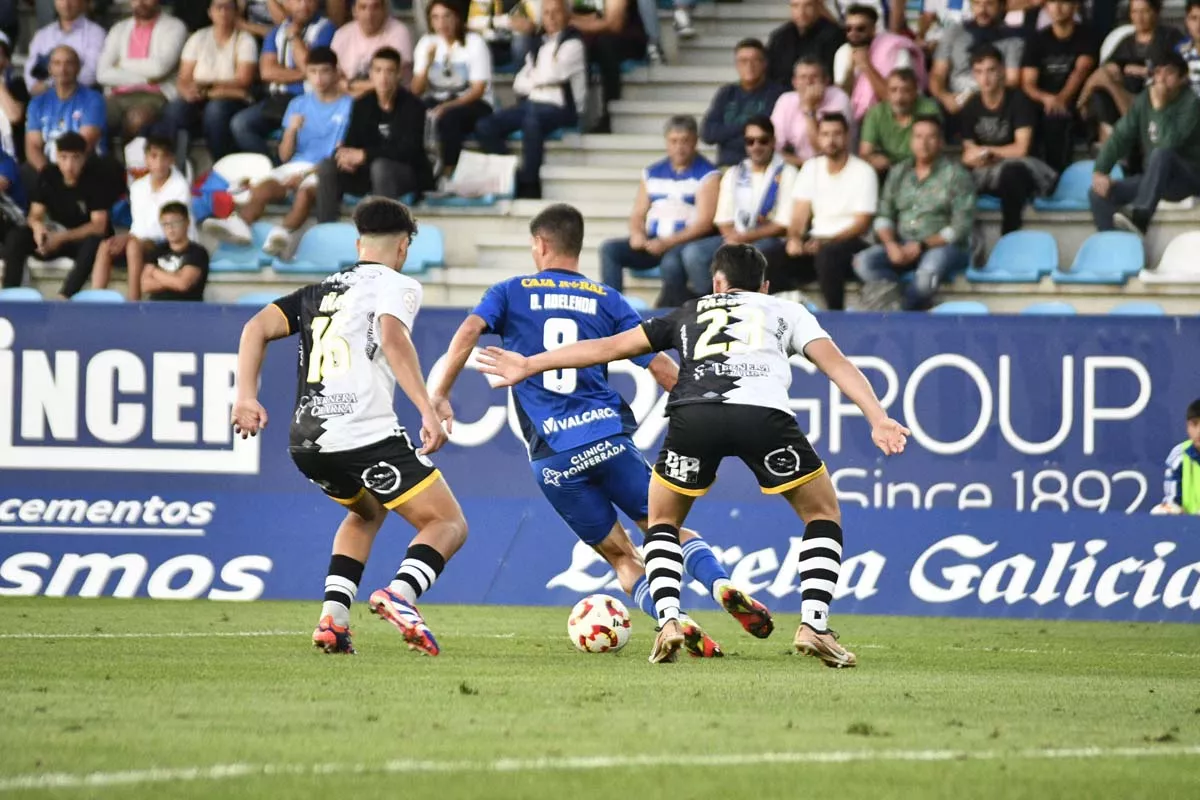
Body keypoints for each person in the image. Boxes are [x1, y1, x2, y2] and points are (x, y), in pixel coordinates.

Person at [476, 243, 909, 665]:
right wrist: (878, 417)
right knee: (822, 514)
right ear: (765, 285)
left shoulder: (689, 312)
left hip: (693, 414)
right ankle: (814, 625)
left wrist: (531, 364)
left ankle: (668, 621)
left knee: (663, 521)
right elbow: (836, 364)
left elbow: (608, 347)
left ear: (717, 282)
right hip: (764, 415)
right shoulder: (787, 310)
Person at [430, 204, 776, 659]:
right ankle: (721, 583)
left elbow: (470, 329)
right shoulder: (607, 300)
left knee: (620, 557)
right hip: (607, 441)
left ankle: (673, 620)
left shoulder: (509, 292)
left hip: (552, 459)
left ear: (540, 244)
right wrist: (703, 411)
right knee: (662, 526)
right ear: (578, 246)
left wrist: (440, 393)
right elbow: (659, 365)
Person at [231, 197, 466, 657]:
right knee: (447, 522)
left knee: (366, 512)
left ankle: (333, 621)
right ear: (403, 247)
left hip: (308, 441)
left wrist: (244, 396)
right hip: (364, 433)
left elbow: (254, 327)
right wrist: (427, 408)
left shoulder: (316, 292)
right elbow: (394, 338)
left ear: (359, 243)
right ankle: (401, 593)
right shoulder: (396, 284)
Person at [204, 46, 351, 254]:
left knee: (304, 193)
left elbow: (340, 157)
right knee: (264, 186)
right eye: (313, 72)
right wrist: (291, 130)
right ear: (306, 74)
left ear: (336, 72)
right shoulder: (298, 104)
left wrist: (304, 175)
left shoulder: (349, 106)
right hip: (295, 165)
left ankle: (283, 232)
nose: (318, 78)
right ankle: (241, 225)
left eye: (325, 71)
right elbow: (284, 155)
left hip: (325, 172)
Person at [853, 115, 975, 310]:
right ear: (911, 141)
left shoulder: (956, 174)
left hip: (943, 247)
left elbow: (960, 228)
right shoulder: (899, 172)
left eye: (931, 137)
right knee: (863, 262)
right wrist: (891, 244)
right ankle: (902, 296)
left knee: (927, 276)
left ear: (941, 141)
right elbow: (884, 215)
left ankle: (901, 313)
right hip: (902, 245)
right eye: (918, 137)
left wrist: (923, 245)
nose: (924, 143)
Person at [598, 115, 719, 307]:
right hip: (652, 243)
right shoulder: (652, 172)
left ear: (695, 141)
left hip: (683, 244)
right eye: (674, 141)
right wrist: (637, 233)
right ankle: (612, 310)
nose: (679, 147)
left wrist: (667, 242)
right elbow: (638, 213)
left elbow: (705, 223)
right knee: (610, 249)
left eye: (685, 141)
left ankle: (667, 317)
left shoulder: (708, 174)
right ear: (667, 142)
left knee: (671, 263)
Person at [473, 0, 586, 199]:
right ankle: (513, 173)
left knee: (531, 120)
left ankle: (530, 184)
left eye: (556, 13)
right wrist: (537, 79)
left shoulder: (574, 43)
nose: (550, 17)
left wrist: (534, 79)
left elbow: (552, 74)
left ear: (567, 15)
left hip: (561, 108)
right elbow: (519, 83)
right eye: (547, 13)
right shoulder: (538, 43)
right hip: (532, 104)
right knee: (485, 125)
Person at [677, 116, 795, 302]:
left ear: (773, 141)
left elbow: (784, 224)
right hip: (736, 236)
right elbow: (723, 219)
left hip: (770, 239)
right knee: (694, 253)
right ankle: (709, 301)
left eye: (762, 140)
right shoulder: (735, 173)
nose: (756, 146)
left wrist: (743, 240)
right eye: (750, 141)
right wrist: (733, 238)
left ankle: (745, 304)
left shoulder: (787, 172)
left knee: (757, 255)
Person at [1090, 49, 1200, 236]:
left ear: (1183, 78)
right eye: (1157, 72)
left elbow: (1168, 143)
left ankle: (1140, 218)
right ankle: (1114, 248)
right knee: (1098, 193)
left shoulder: (1191, 104)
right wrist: (1101, 170)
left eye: (1170, 73)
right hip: (1154, 181)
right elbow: (1121, 135)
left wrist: (1159, 108)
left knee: (1162, 153)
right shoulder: (1144, 100)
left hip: (1188, 179)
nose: (1162, 79)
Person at [315, 47, 431, 223]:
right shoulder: (362, 104)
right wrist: (344, 156)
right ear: (370, 74)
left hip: (406, 173)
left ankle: (383, 231)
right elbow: (351, 142)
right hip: (367, 171)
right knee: (327, 166)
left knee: (381, 167)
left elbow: (409, 151)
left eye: (389, 71)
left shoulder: (413, 106)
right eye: (378, 70)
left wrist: (365, 155)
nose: (383, 77)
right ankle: (325, 228)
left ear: (399, 74)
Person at [777, 112, 878, 308]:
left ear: (847, 136)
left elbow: (862, 224)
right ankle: (790, 313)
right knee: (770, 259)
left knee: (828, 255)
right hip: (817, 243)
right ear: (818, 137)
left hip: (852, 245)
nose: (831, 140)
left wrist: (826, 242)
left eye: (837, 134)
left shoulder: (864, 171)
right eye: (825, 134)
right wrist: (795, 238)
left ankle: (835, 318)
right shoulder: (810, 167)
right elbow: (798, 215)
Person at [84, 134, 196, 301]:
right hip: (140, 240)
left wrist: (131, 239)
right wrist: (127, 237)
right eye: (154, 156)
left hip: (169, 243)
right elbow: (138, 226)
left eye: (164, 157)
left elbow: (170, 228)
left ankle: (133, 302)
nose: (159, 163)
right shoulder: (138, 187)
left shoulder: (180, 187)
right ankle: (95, 300)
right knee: (106, 246)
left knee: (133, 246)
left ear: (172, 159)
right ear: (146, 159)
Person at [959, 44, 1054, 234]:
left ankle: (1009, 236)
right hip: (986, 170)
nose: (985, 78)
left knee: (1011, 174)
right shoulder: (971, 106)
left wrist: (989, 152)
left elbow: (1021, 149)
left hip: (1024, 168)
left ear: (1002, 70)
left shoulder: (1019, 100)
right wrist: (978, 157)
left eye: (991, 70)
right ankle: (962, 237)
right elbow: (968, 153)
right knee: (955, 177)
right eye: (979, 72)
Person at [1, 133, 109, 294]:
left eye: (75, 158)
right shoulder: (48, 175)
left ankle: (66, 295)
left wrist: (61, 238)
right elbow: (35, 215)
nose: (69, 165)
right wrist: (38, 230)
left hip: (77, 239)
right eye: (64, 158)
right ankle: (10, 294)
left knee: (95, 242)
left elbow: (99, 225)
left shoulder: (95, 179)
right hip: (52, 235)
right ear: (57, 157)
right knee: (18, 236)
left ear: (84, 158)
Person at [156, 0, 258, 169]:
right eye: (218, 7)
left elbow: (243, 80)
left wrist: (207, 86)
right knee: (174, 110)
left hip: (230, 98)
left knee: (215, 111)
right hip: (199, 95)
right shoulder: (198, 37)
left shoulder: (245, 40)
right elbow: (183, 78)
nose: (223, 12)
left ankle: (221, 165)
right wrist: (186, 91)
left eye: (228, 7)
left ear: (235, 12)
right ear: (210, 12)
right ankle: (171, 166)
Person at [231, 0, 337, 156]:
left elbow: (311, 66)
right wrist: (303, 74)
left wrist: (294, 37)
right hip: (279, 100)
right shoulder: (277, 31)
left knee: (296, 134)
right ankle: (273, 170)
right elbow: (267, 72)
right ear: (286, 3)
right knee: (241, 124)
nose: (303, 5)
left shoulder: (326, 28)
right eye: (297, 1)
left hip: (309, 100)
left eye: (309, 0)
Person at [1078, 0, 1181, 146]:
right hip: (1125, 101)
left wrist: (1147, 71)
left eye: (1144, 11)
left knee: (1113, 83)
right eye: (1134, 12)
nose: (1139, 17)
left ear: (1156, 12)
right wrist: (1084, 98)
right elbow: (1103, 71)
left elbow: (1182, 67)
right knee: (1102, 90)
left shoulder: (1170, 37)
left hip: (1156, 98)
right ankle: (1108, 143)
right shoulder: (1126, 42)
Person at [411, 0, 494, 180]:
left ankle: (449, 171)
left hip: (474, 103)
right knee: (412, 111)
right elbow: (416, 90)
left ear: (457, 17)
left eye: (447, 16)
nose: (442, 23)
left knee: (449, 117)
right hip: (438, 98)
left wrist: (448, 106)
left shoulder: (475, 42)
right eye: (436, 18)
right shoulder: (426, 43)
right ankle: (419, 172)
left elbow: (478, 89)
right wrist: (427, 63)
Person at [1019, 0, 1096, 174]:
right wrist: (1046, 98)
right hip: (1043, 101)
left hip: (1075, 100)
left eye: (1064, 2)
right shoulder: (1036, 40)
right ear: (1046, 7)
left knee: (1057, 119)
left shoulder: (1087, 35)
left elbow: (1080, 71)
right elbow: (1028, 83)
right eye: (1053, 2)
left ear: (1075, 6)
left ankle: (1058, 176)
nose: (1058, 7)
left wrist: (1060, 99)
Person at [95, 0, 189, 138]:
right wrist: (146, 78)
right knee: (92, 113)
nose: (140, 2)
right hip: (116, 94)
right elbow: (102, 74)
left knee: (137, 119)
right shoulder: (119, 29)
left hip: (154, 95)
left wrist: (121, 64)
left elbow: (159, 68)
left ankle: (128, 158)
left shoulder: (174, 27)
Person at [928, 0, 1024, 125]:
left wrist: (973, 95)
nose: (982, 9)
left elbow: (1012, 80)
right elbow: (937, 74)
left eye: (989, 4)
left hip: (993, 100)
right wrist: (944, 97)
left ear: (1001, 6)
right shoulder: (955, 32)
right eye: (977, 3)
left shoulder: (1012, 40)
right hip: (954, 100)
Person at [701, 38, 786, 168]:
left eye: (755, 60)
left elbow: (766, 136)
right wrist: (745, 127)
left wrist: (726, 136)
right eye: (743, 61)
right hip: (728, 167)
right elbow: (708, 133)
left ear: (764, 63)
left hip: (765, 166)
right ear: (736, 65)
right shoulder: (727, 93)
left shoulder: (777, 94)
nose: (749, 66)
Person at [833, 3, 925, 121]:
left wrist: (866, 66)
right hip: (856, 120)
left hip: (893, 117)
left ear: (873, 29)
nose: (853, 33)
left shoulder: (896, 50)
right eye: (848, 29)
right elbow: (842, 99)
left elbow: (895, 98)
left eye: (860, 29)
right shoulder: (843, 52)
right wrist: (850, 68)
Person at [25, 45, 107, 174]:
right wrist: (47, 172)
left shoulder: (93, 99)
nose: (62, 69)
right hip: (49, 168)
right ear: (50, 69)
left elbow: (83, 144)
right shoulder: (37, 103)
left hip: (82, 166)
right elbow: (33, 146)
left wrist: (61, 176)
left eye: (68, 63)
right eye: (57, 63)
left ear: (78, 68)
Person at [571, 0, 644, 134]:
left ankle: (608, 115)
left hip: (627, 38)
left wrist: (576, 22)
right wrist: (589, 21)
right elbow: (574, 14)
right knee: (574, 45)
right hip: (592, 37)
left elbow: (614, 25)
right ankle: (571, 116)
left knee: (605, 45)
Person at [771, 56, 853, 168]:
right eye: (803, 77)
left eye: (814, 77)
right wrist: (805, 165)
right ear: (794, 82)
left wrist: (809, 109)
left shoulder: (839, 98)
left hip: (836, 166)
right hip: (798, 165)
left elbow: (826, 149)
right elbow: (773, 148)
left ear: (826, 81)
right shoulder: (785, 100)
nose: (809, 82)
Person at [859, 68, 941, 173]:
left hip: (922, 166)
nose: (899, 97)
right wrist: (873, 159)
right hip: (888, 169)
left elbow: (933, 149)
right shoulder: (876, 113)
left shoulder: (928, 109)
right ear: (887, 92)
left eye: (906, 91)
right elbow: (865, 153)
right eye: (893, 90)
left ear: (915, 92)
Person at [331, 0, 413, 98]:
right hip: (346, 98)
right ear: (354, 11)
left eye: (375, 7)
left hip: (391, 99)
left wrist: (350, 85)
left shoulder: (399, 32)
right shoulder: (342, 34)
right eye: (363, 7)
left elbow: (391, 81)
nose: (369, 14)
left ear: (384, 10)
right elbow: (333, 74)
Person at [24, 0, 106, 96]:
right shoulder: (42, 35)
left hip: (79, 98)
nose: (66, 3)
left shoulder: (96, 33)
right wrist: (36, 87)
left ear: (83, 2)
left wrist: (51, 85)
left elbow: (91, 73)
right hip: (43, 98)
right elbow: (29, 72)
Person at [139, 201, 209, 301]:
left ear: (187, 222)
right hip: (156, 309)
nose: (170, 228)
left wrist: (154, 272)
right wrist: (174, 278)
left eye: (175, 223)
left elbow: (183, 284)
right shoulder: (157, 250)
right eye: (165, 224)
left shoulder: (197, 252)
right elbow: (145, 285)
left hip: (187, 310)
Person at [766, 0, 846, 87]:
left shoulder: (834, 36)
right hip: (783, 95)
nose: (801, 12)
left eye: (808, 6)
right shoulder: (780, 37)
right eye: (795, 6)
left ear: (818, 7)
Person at [1153, 398, 1200, 516]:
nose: (1199, 431)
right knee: (1160, 512)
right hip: (1188, 528)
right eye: (1194, 424)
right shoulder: (1179, 455)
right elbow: (1172, 502)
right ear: (1187, 427)